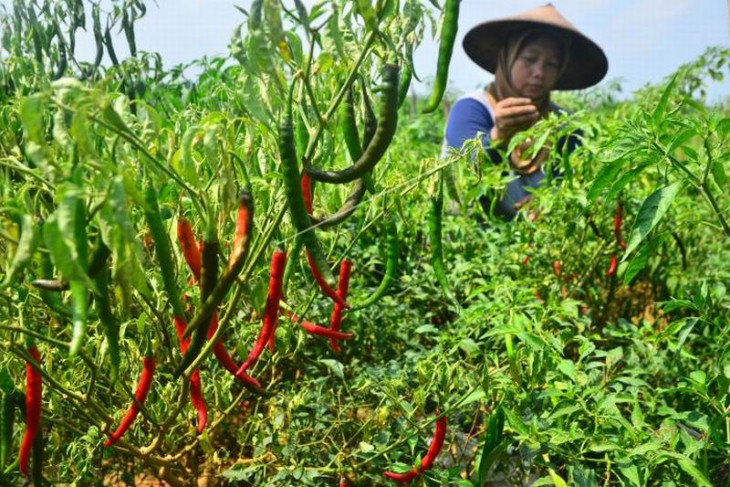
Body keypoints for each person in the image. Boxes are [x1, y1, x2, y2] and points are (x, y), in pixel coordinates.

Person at [442, 4, 608, 220]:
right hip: (472, 240)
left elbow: (573, 182)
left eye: (551, 64)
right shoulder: (472, 108)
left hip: (534, 246)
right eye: (530, 59)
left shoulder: (564, 124)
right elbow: (467, 167)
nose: (539, 72)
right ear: (508, 58)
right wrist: (498, 136)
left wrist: (549, 199)